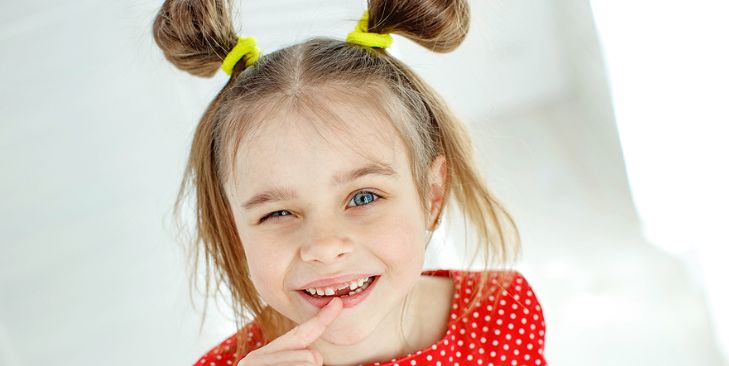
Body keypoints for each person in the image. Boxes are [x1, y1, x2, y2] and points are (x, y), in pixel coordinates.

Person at [153, 0, 548, 364]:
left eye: (362, 197)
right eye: (278, 212)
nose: (324, 247)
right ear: (233, 229)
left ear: (431, 195)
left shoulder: (502, 313)